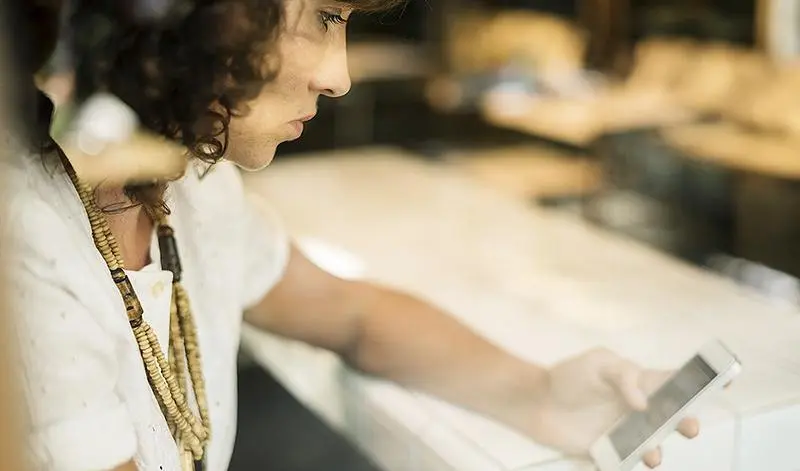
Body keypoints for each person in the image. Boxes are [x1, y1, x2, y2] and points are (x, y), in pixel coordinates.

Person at [4, 1, 699, 470]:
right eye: (325, 16)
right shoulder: (27, 248)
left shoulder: (196, 187)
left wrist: (543, 394)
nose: (338, 76)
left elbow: (352, 314)